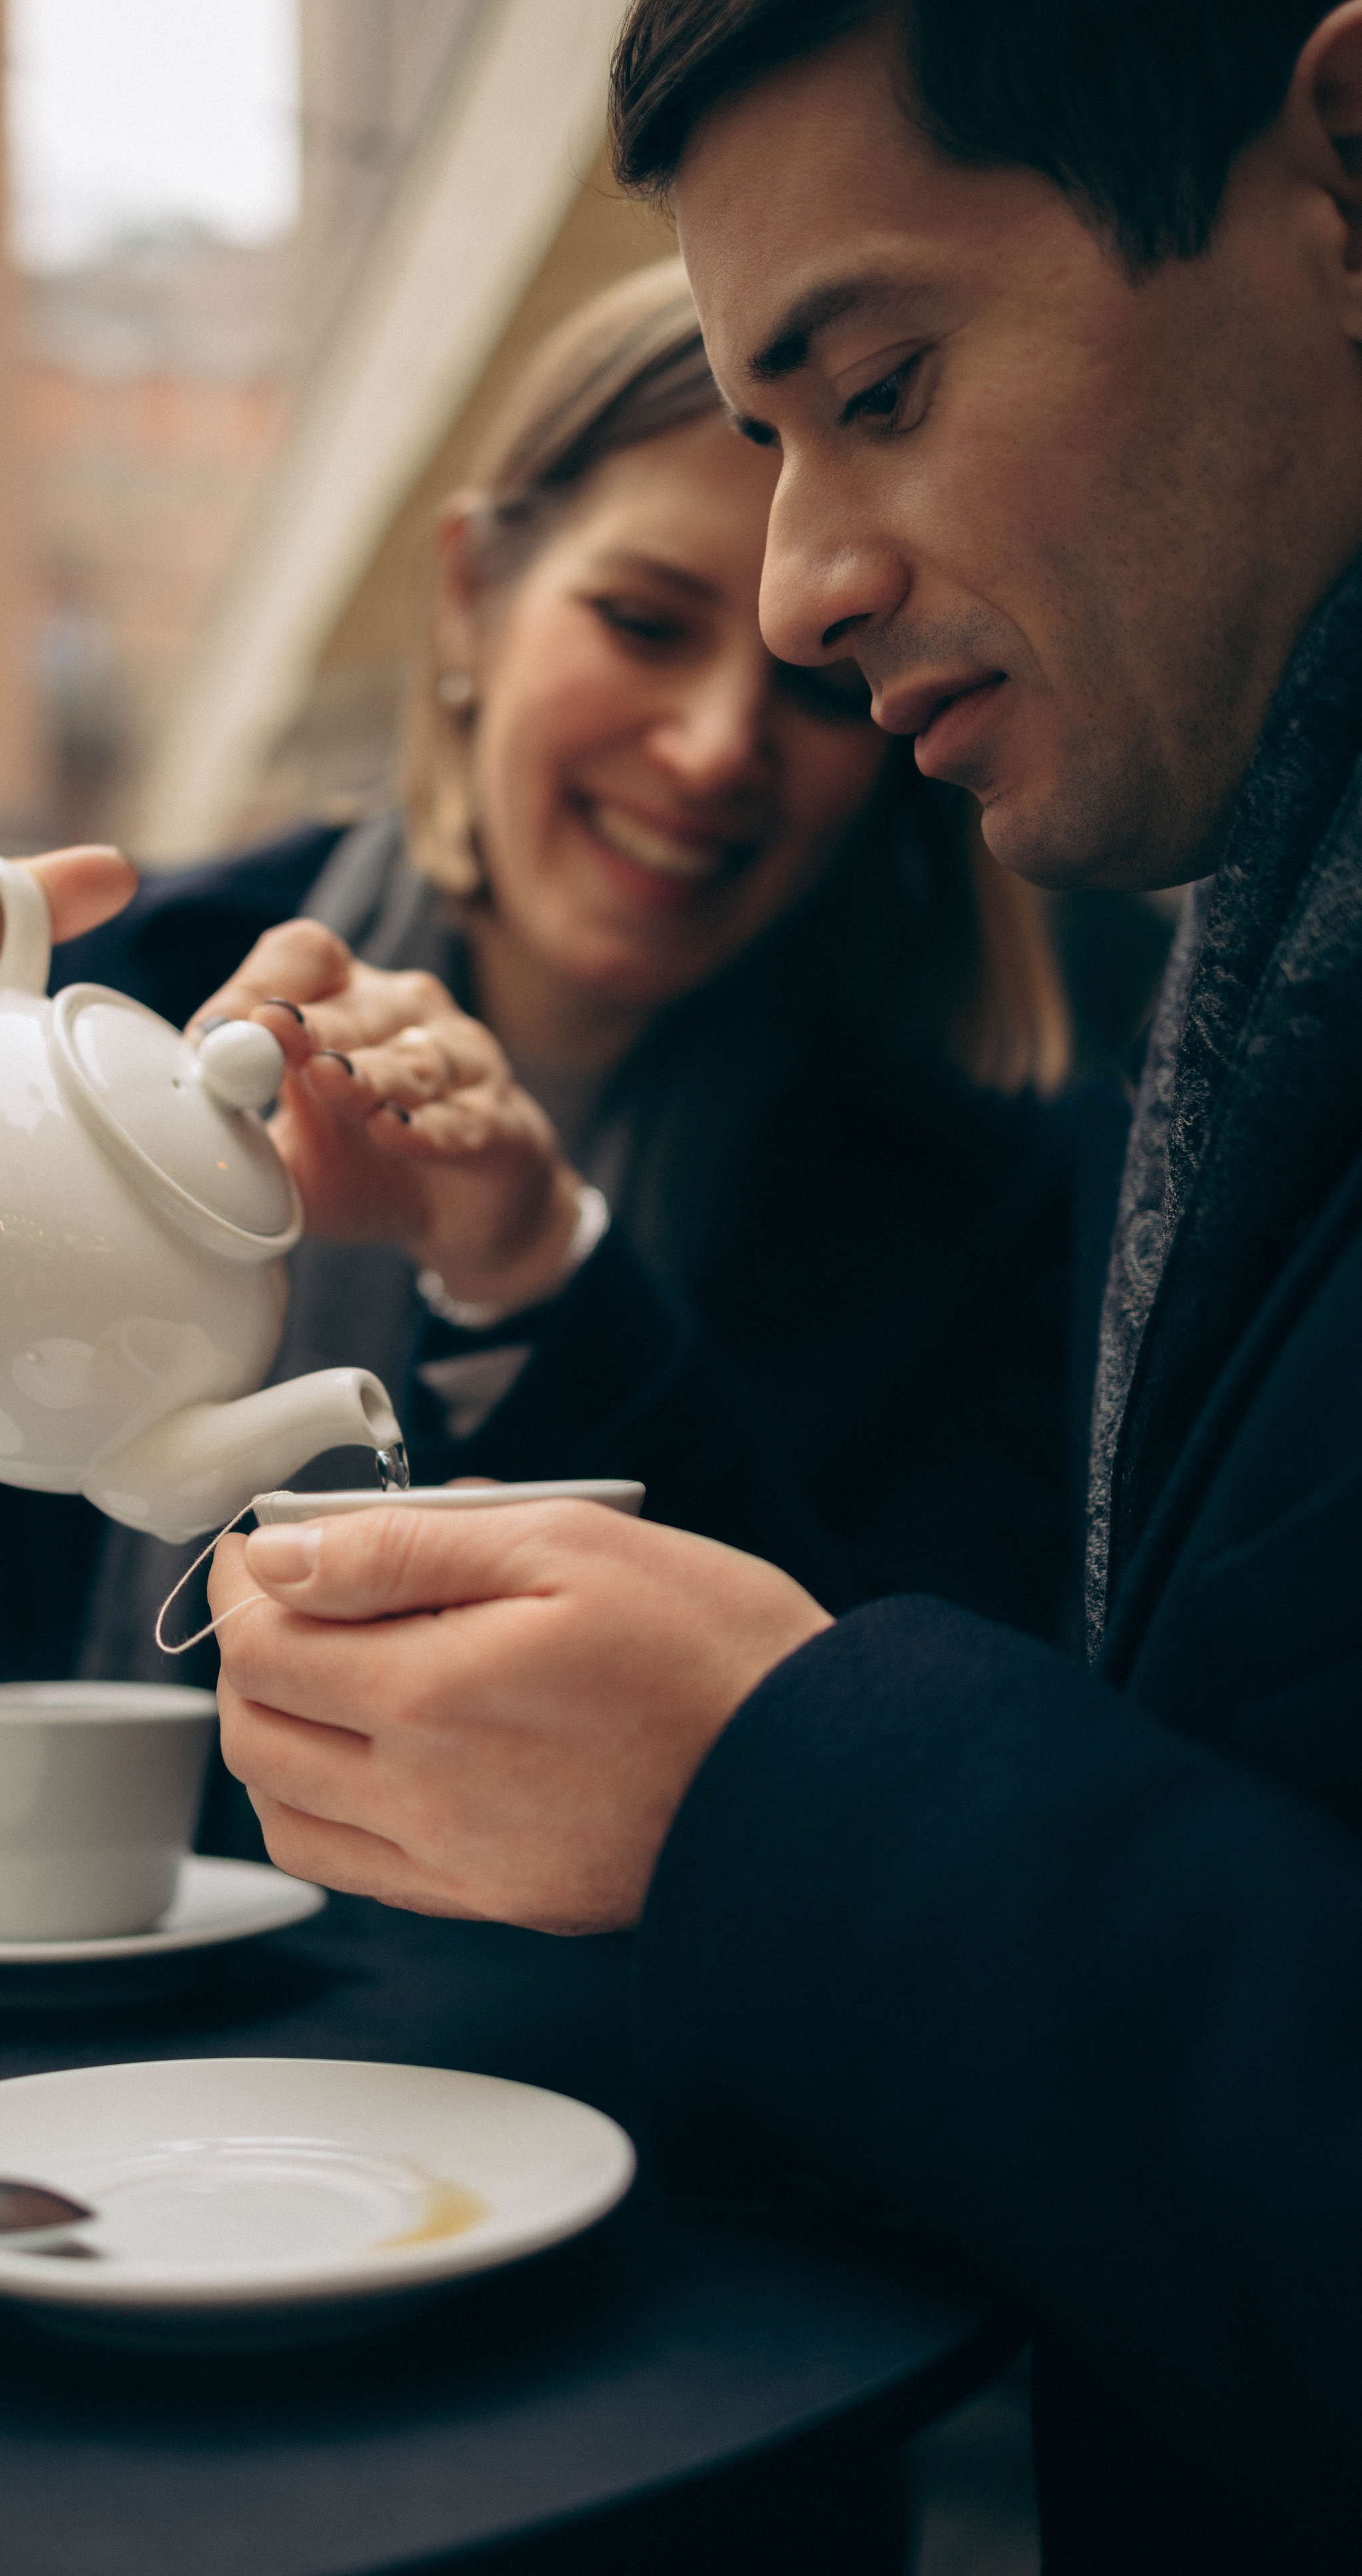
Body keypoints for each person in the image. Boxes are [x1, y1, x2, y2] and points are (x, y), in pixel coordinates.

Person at [194, 5, 1362, 2569]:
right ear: (468, 607)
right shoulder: (1237, 949)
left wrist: (784, 1760)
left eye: (890, 383)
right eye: (664, 583)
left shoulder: (1006, 1138)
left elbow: (943, 1732)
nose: (797, 614)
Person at [0, 262, 1075, 1710]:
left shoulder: (983, 1188)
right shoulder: (139, 988)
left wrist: (547, 1273)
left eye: (815, 682)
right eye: (643, 622)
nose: (712, 746)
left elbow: (931, 1759)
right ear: (467, 601)